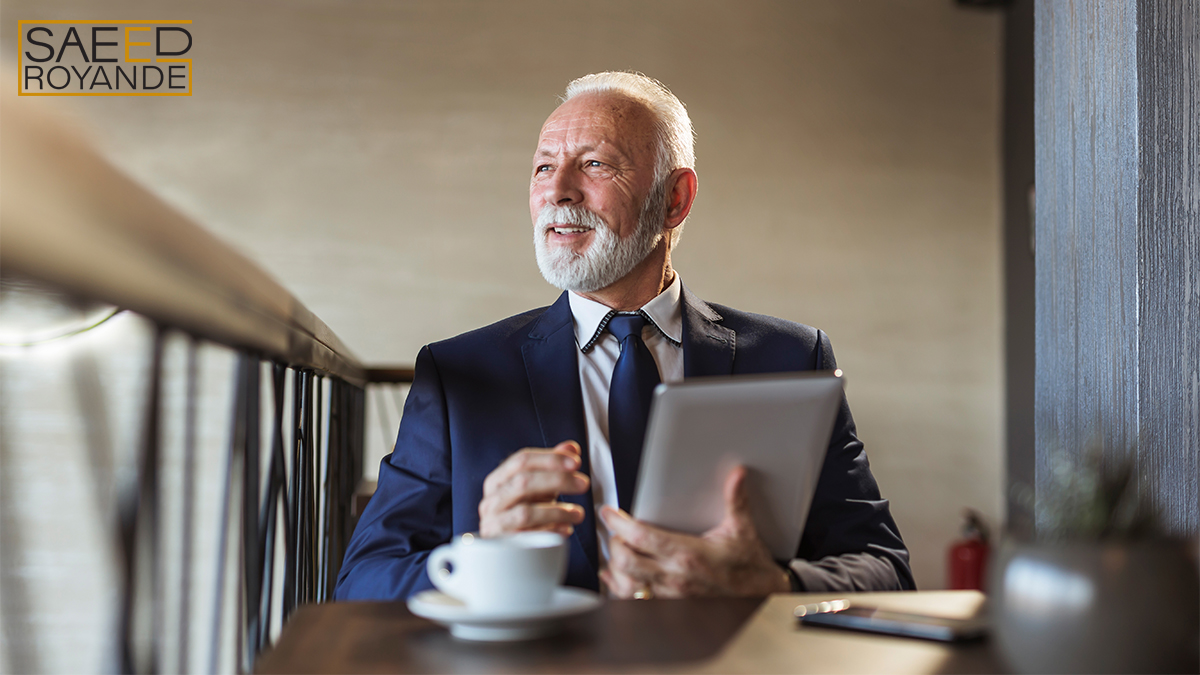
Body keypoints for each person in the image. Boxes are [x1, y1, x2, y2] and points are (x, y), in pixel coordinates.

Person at [335, 72, 914, 601]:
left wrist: (775, 584)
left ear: (675, 199)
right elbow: (363, 582)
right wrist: (480, 554)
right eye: (543, 167)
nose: (558, 190)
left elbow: (885, 568)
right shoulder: (459, 373)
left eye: (595, 165)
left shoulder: (793, 358)